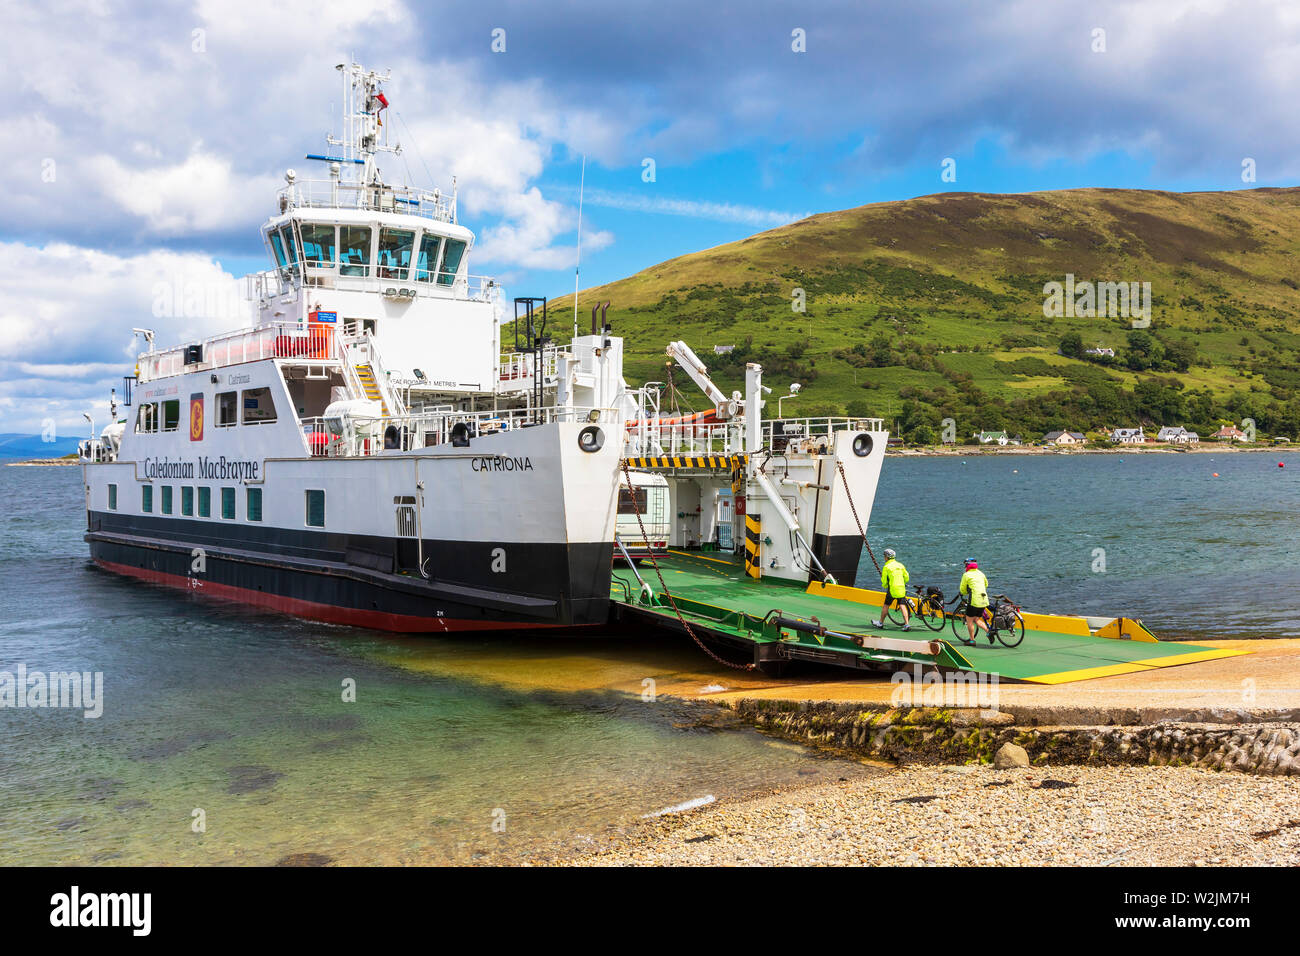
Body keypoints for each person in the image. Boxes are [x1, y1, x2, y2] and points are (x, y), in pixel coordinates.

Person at [872, 548, 911, 631]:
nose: (884, 558)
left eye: (884, 556)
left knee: (886, 605)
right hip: (901, 588)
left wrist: (885, 585)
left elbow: (884, 580)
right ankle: (907, 624)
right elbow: (906, 577)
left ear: (886, 557)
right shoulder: (900, 565)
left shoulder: (886, 567)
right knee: (902, 605)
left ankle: (880, 623)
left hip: (892, 589)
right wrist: (902, 582)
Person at [959, 558, 992, 644]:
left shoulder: (966, 575)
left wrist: (966, 592)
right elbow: (986, 584)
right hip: (984, 600)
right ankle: (988, 632)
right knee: (976, 619)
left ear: (967, 566)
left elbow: (962, 590)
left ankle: (972, 640)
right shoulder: (981, 573)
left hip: (974, 600)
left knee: (969, 620)